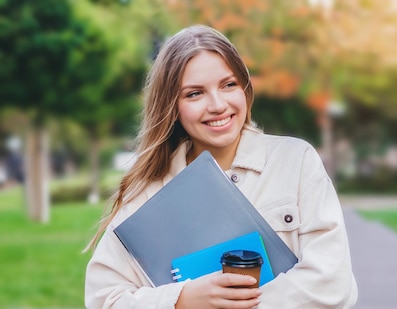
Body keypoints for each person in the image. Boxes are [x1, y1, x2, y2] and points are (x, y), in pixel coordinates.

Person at [84, 25, 358, 308]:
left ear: (245, 88)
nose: (217, 104)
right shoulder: (148, 191)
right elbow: (104, 299)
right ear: (171, 106)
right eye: (194, 94)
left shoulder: (296, 162)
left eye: (229, 85)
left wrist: (234, 303)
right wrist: (183, 300)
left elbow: (332, 283)